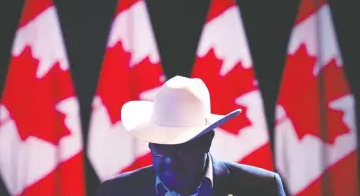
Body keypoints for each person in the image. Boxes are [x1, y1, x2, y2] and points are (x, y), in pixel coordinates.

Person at [97, 75, 287, 196]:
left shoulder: (261, 189)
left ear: (207, 141)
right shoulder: (116, 192)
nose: (170, 159)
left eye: (181, 146)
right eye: (161, 147)